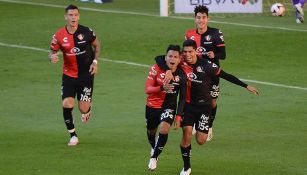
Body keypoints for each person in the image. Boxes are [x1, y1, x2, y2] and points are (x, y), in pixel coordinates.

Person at [156, 40, 259, 175]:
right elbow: (159, 58)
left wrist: (245, 86)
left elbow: (225, 75)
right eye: (185, 52)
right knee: (186, 134)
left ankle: (206, 126)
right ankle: (186, 167)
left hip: (204, 107)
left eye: (190, 52)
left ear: (196, 51)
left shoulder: (207, 65)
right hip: (187, 106)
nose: (187, 55)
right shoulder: (180, 61)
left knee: (201, 141)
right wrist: (168, 70)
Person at [49, 4, 101, 146]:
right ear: (66, 17)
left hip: (86, 76)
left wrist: (95, 62)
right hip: (69, 75)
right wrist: (52, 57)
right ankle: (73, 135)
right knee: (67, 103)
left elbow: (97, 45)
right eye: (71, 15)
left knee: (83, 108)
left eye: (76, 15)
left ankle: (87, 110)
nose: (73, 17)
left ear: (79, 16)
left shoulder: (87, 31)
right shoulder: (58, 35)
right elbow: (52, 51)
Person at [145, 45, 187, 171]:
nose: (172, 59)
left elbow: (183, 98)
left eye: (175, 57)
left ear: (179, 59)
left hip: (169, 106)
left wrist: (179, 116)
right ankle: (153, 146)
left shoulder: (181, 75)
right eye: (170, 56)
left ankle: (154, 157)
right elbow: (147, 89)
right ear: (165, 58)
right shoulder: (155, 68)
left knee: (164, 129)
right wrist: (162, 88)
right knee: (151, 131)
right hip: (152, 106)